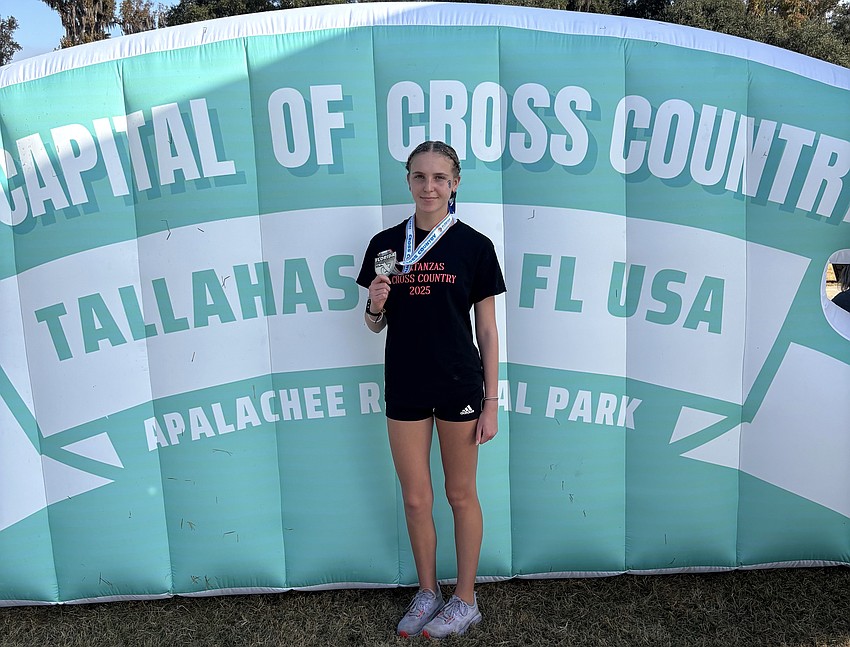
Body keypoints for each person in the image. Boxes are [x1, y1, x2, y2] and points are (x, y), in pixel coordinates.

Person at [356, 141, 506, 638]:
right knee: (416, 500)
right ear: (408, 181)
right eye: (420, 177)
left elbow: (487, 331)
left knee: (460, 494)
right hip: (405, 384)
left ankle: (466, 599)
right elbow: (375, 325)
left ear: (455, 183)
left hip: (460, 384)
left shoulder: (475, 247)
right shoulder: (384, 245)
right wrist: (376, 304)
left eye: (440, 178)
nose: (429, 187)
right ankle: (427, 591)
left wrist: (491, 401)